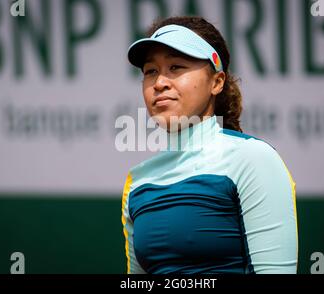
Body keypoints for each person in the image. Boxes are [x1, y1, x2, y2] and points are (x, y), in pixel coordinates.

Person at [121, 16, 298, 274]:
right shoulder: (137, 182)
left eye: (176, 67)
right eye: (151, 71)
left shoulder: (254, 159)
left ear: (216, 82)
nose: (159, 83)